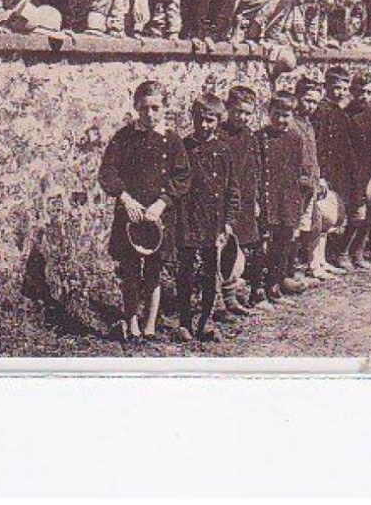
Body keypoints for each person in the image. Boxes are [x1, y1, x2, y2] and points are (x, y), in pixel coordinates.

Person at [97, 80, 191, 343]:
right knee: (129, 271)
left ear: (165, 108)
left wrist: (162, 203)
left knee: (153, 271)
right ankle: (132, 323)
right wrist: (125, 199)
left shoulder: (172, 141)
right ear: (136, 107)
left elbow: (182, 176)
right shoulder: (124, 138)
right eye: (144, 108)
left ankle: (150, 325)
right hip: (131, 216)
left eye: (156, 108)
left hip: (157, 217)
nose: (150, 114)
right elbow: (108, 172)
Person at [174, 95, 236, 343]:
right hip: (188, 217)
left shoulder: (223, 151)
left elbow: (232, 188)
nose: (204, 125)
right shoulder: (183, 146)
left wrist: (228, 222)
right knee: (186, 270)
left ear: (218, 121)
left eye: (210, 120)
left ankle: (206, 320)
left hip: (214, 220)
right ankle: (184, 322)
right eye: (199, 119)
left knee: (211, 272)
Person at [255, 93, 314, 305]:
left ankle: (275, 285)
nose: (281, 120)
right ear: (268, 113)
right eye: (277, 115)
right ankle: (258, 289)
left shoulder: (296, 139)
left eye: (286, 115)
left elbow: (300, 170)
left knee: (283, 245)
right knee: (264, 246)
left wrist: (303, 193)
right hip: (268, 201)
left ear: (292, 115)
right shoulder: (261, 138)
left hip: (288, 200)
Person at [220, 85, 263, 316]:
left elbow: (254, 169)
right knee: (224, 247)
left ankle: (232, 295)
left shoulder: (249, 136)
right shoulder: (220, 134)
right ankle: (222, 298)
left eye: (247, 113)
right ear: (227, 108)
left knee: (242, 248)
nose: (242, 117)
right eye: (237, 112)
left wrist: (255, 199)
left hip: (245, 199)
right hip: (225, 200)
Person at [310, 66, 355, 274]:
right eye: (337, 88)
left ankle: (322, 259)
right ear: (326, 86)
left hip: (338, 171)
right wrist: (321, 175)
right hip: (324, 172)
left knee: (329, 217)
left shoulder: (341, 112)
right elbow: (317, 145)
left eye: (345, 88)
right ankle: (312, 262)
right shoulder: (321, 111)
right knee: (320, 217)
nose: (341, 92)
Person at [343, 72, 371, 267]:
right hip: (353, 171)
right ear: (352, 91)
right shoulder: (345, 114)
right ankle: (342, 251)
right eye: (360, 92)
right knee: (357, 215)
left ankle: (359, 251)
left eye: (369, 92)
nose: (364, 96)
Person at [291, 78, 331, 282]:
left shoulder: (309, 124)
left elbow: (312, 157)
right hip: (297, 186)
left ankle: (312, 265)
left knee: (315, 224)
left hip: (311, 184)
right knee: (296, 230)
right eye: (307, 100)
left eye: (315, 102)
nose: (311, 106)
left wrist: (319, 178)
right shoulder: (291, 124)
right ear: (297, 98)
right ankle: (290, 271)